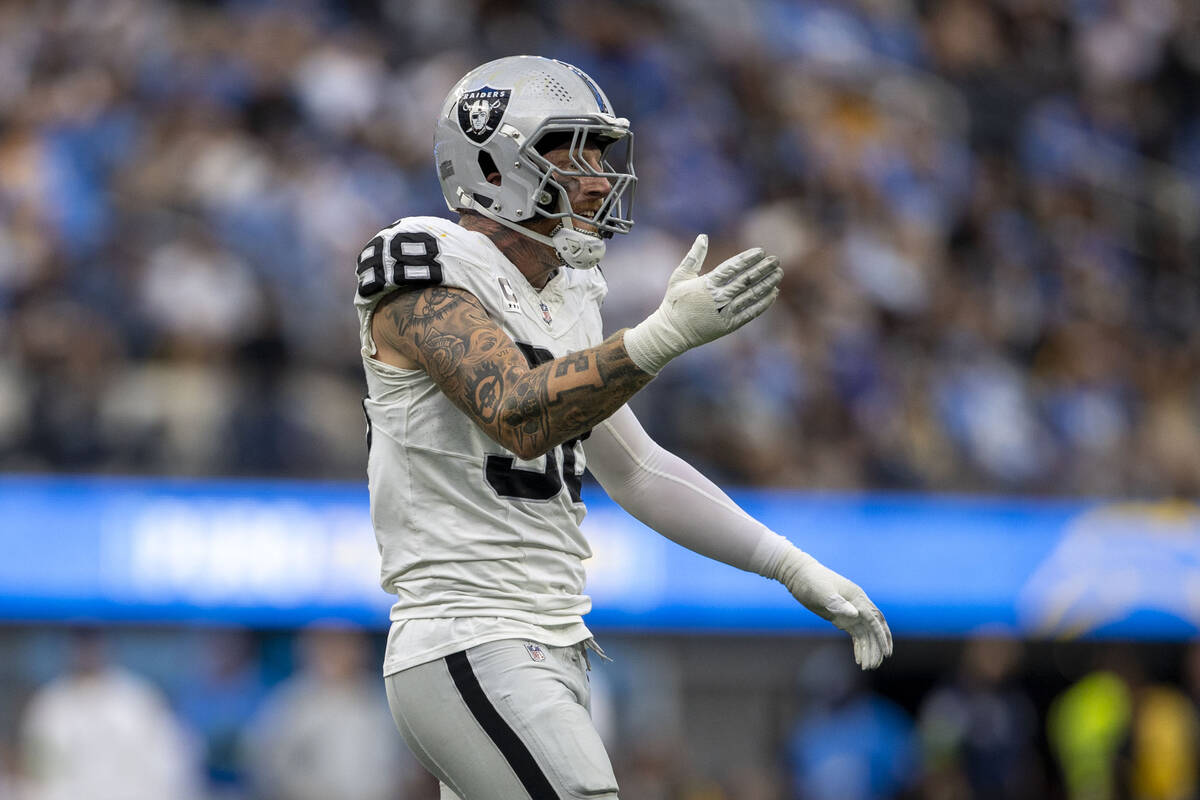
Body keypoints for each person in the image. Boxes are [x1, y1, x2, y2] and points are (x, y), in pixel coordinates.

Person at [354, 55, 892, 800]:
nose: (599, 177)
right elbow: (515, 410)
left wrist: (789, 565)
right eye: (573, 151)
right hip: (468, 633)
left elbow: (636, 468)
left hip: (548, 639)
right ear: (492, 157)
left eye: (603, 155)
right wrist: (658, 339)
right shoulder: (420, 258)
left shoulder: (570, 294)